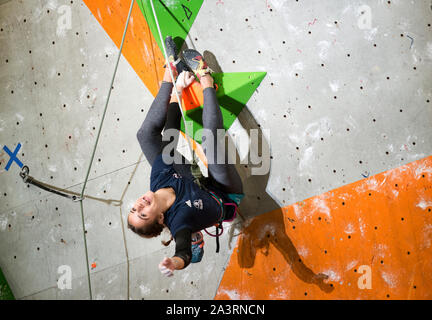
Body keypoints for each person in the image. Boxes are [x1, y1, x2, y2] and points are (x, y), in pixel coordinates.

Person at [127, 36, 244, 276]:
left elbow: (170, 131)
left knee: (146, 135)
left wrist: (176, 89)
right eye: (142, 213)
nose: (138, 205)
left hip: (192, 181)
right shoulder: (179, 220)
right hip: (224, 194)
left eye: (133, 209)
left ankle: (170, 71)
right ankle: (207, 76)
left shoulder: (158, 177)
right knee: (210, 140)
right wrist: (176, 263)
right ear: (161, 218)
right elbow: (182, 252)